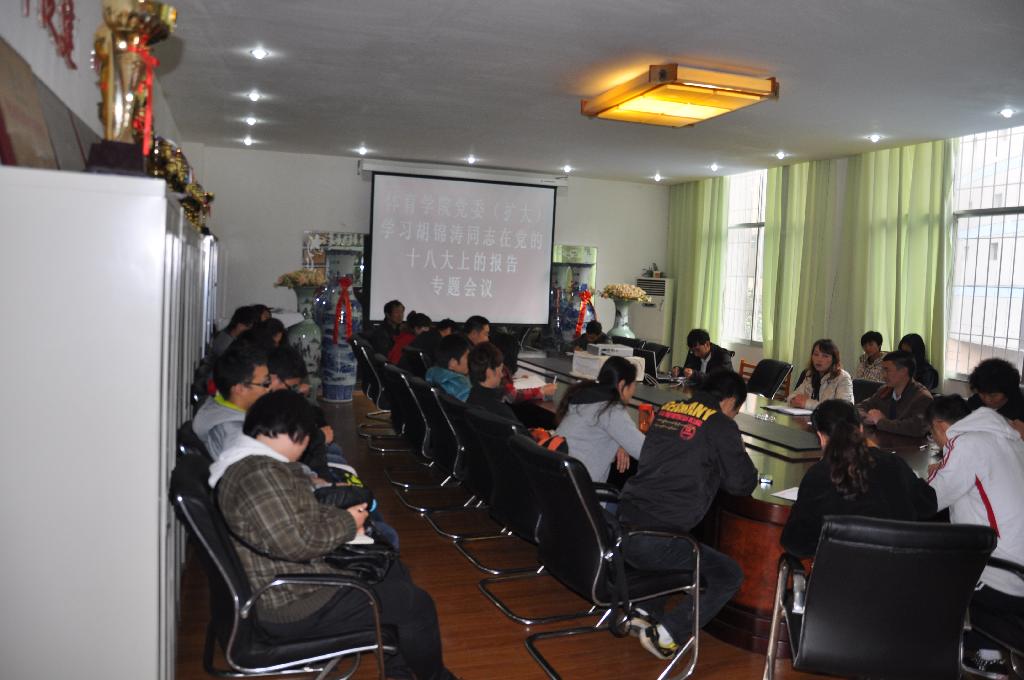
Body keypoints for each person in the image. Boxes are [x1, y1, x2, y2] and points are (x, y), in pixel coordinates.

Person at [210, 390, 454, 680]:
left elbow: (301, 517)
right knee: (416, 605)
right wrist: (348, 523)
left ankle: (398, 672)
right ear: (297, 434)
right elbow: (298, 543)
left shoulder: (253, 465)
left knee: (391, 569)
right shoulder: (261, 475)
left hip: (293, 582)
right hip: (293, 603)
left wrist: (345, 519)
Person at [617, 370, 757, 660]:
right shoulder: (720, 424)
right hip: (655, 538)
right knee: (728, 575)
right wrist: (736, 448)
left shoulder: (669, 408)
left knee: (676, 541)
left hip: (624, 522)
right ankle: (668, 634)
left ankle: (644, 611)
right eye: (736, 410)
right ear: (730, 401)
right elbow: (741, 484)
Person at [926, 395, 1024, 674]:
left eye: (932, 434)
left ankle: (938, 654)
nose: (936, 442)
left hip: (1005, 579)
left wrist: (933, 475)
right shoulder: (1012, 440)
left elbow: (930, 499)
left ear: (940, 426)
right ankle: (988, 651)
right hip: (1019, 569)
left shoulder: (964, 443)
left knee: (925, 566)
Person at [780, 399, 937, 557]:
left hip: (841, 570)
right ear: (861, 429)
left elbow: (795, 544)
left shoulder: (818, 474)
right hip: (900, 568)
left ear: (821, 437)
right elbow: (928, 505)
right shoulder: (894, 463)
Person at [554, 356, 645, 484]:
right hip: (579, 488)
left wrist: (621, 442)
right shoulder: (609, 409)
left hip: (557, 479)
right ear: (622, 385)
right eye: (633, 384)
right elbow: (645, 452)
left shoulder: (585, 397)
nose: (633, 390)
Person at [193, 341, 270, 458]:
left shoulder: (216, 405)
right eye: (265, 383)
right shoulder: (237, 436)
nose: (269, 389)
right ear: (240, 389)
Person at [856, 351, 933, 437]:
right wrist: (867, 417)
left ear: (903, 371)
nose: (883, 375)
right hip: (884, 440)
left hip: (909, 444)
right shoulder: (885, 390)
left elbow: (917, 428)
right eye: (882, 370)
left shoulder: (922, 397)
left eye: (887, 370)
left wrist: (880, 422)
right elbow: (859, 407)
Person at [966, 357, 1024, 439]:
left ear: (1008, 391)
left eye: (993, 395)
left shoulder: (1020, 411)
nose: (987, 399)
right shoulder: (975, 402)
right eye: (982, 394)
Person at [787, 338, 854, 409]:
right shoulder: (810, 374)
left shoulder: (843, 378)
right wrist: (793, 400)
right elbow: (792, 396)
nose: (819, 359)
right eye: (816, 354)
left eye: (825, 356)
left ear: (834, 360)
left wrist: (808, 403)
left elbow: (843, 409)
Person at [466, 341, 522, 424]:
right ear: (489, 372)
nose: (502, 375)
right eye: (500, 370)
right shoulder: (502, 412)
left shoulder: (471, 397)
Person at [424, 334, 472, 401]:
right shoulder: (464, 389)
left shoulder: (431, 375)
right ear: (453, 363)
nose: (471, 360)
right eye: (467, 357)